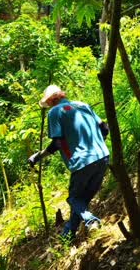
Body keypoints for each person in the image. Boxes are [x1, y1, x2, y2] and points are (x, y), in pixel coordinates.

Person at [28, 85, 110, 239]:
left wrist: (38, 156)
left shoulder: (55, 112)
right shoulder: (83, 105)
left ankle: (92, 221)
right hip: (103, 156)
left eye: (49, 102)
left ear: (53, 99)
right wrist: (97, 144)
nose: (50, 106)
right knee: (81, 200)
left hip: (82, 161)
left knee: (73, 199)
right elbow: (104, 128)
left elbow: (57, 143)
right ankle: (68, 235)